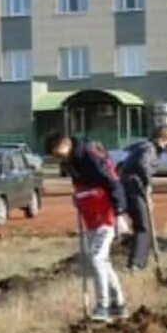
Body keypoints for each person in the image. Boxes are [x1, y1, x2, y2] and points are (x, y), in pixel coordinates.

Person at [45, 130, 130, 322]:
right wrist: (79, 197)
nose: (57, 158)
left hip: (106, 215)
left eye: (57, 153)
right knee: (103, 261)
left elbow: (112, 181)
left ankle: (103, 306)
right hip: (90, 216)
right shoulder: (71, 160)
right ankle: (119, 305)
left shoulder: (90, 154)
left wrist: (120, 213)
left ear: (65, 143)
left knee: (97, 258)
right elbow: (81, 185)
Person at [119, 123, 167, 271]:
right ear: (162, 139)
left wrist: (147, 191)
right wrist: (147, 186)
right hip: (133, 188)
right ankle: (136, 264)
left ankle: (137, 262)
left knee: (141, 226)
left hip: (132, 187)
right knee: (144, 227)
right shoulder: (148, 148)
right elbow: (143, 166)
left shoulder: (145, 147)